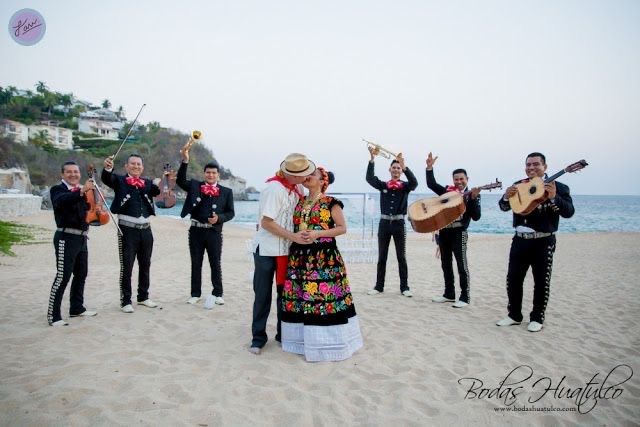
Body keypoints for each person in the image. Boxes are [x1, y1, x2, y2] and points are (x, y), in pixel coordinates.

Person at [281, 167, 363, 361]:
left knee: (323, 299)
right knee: (302, 298)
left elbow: (342, 228)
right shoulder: (299, 201)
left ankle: (326, 345)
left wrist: (317, 233)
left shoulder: (331, 203)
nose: (307, 176)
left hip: (324, 257)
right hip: (300, 257)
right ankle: (302, 342)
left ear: (322, 181)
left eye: (313, 174)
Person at [496, 152, 575, 332]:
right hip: (519, 240)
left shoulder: (560, 187)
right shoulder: (520, 185)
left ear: (545, 167)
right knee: (513, 279)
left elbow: (569, 212)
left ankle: (537, 317)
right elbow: (503, 207)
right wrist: (506, 197)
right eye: (528, 164)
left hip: (543, 241)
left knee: (541, 281)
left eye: (536, 164)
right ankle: (514, 315)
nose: (531, 168)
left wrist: (554, 197)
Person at [249, 153, 316, 355]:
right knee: (262, 295)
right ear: (291, 174)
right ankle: (258, 338)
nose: (305, 177)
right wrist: (293, 236)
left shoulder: (297, 189)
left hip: (286, 250)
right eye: (302, 174)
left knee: (284, 295)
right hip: (267, 250)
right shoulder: (274, 189)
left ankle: (282, 334)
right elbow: (266, 222)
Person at [177, 139, 235, 308]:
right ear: (204, 174)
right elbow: (180, 181)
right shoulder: (195, 186)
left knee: (215, 263)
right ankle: (195, 294)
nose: (210, 175)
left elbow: (231, 213)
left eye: (213, 173)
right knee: (196, 263)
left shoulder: (226, 192)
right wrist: (185, 160)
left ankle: (218, 293)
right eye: (208, 172)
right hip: (195, 231)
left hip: (214, 232)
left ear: (218, 175)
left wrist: (219, 219)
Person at [102, 154, 161, 313]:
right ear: (126, 166)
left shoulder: (147, 183)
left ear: (142, 167)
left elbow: (160, 192)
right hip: (127, 230)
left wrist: (166, 181)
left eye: (139, 164)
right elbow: (107, 178)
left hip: (146, 230)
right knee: (127, 266)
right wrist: (108, 168)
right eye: (133, 164)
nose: (136, 166)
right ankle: (126, 300)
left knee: (145, 264)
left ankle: (143, 297)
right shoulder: (120, 181)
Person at [425, 152, 481, 308]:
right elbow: (431, 184)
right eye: (456, 179)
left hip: (459, 232)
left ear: (467, 179)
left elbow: (476, 216)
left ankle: (465, 296)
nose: (459, 182)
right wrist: (429, 168)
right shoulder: (447, 192)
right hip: (444, 232)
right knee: (445, 263)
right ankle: (449, 294)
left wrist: (474, 199)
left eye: (462, 179)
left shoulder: (472, 195)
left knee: (461, 264)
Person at [47, 161, 98, 326]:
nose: (73, 174)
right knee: (63, 276)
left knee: (81, 274)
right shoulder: (58, 190)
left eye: (76, 172)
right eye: (68, 172)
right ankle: (53, 316)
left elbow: (90, 213)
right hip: (65, 237)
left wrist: (97, 204)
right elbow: (61, 201)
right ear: (62, 174)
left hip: (82, 238)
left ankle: (76, 308)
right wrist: (82, 191)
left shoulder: (84, 192)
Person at [365, 146, 418, 296]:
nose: (396, 170)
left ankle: (405, 288)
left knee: (401, 257)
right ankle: (378, 286)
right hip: (384, 224)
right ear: (389, 170)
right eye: (394, 167)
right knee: (382, 256)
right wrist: (372, 159)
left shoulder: (406, 186)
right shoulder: (383, 185)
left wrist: (405, 166)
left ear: (401, 171)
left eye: (398, 168)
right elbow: (369, 178)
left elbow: (415, 183)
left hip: (399, 224)